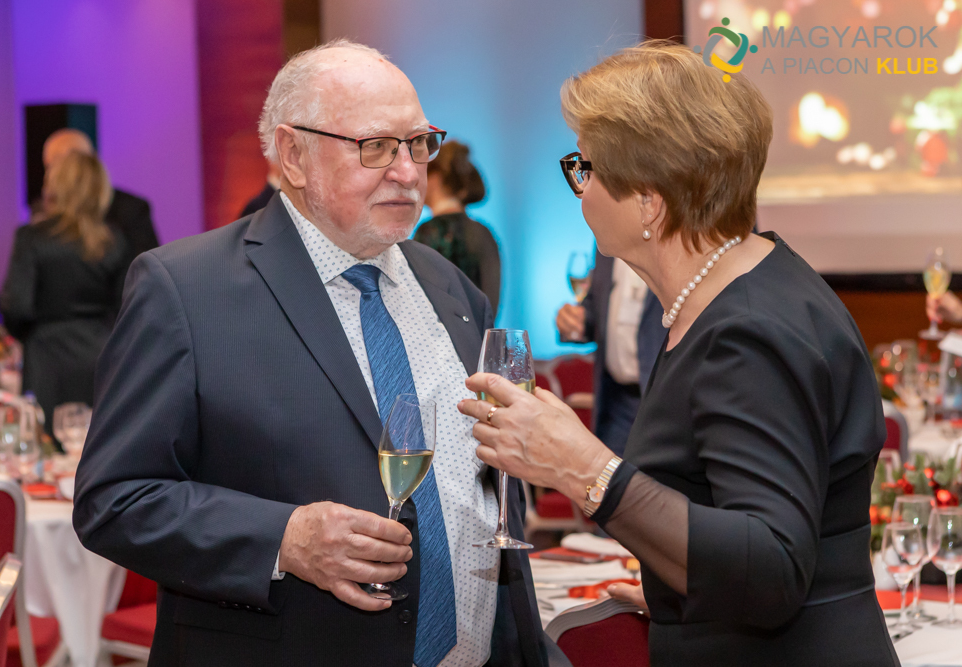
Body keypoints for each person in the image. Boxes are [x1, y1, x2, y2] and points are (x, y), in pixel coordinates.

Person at [73, 40, 564, 667]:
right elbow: (114, 499)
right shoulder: (186, 289)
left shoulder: (449, 286)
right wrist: (285, 539)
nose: (408, 172)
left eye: (418, 144)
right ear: (294, 155)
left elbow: (486, 491)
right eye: (376, 146)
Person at [458, 41, 896, 666]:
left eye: (586, 168)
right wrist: (678, 585)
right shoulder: (741, 290)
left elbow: (773, 566)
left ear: (649, 201)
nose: (580, 192)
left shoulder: (746, 333)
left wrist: (584, 469)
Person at [0, 152, 131, 438]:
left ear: (55, 187)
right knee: (98, 442)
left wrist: (29, 336)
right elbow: (125, 308)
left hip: (47, 359)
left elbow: (17, 307)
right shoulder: (114, 241)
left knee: (46, 443)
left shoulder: (32, 238)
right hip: (100, 353)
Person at [555, 252, 664, 455]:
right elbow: (595, 309)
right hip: (614, 402)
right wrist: (574, 322)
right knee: (608, 473)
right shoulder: (605, 246)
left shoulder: (672, 239)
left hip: (660, 399)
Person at [42, 128, 159, 259]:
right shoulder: (41, 210)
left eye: (75, 164)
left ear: (92, 163)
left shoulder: (131, 209)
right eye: (52, 166)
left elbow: (147, 265)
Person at [414, 141, 501, 317]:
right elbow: (490, 307)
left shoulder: (429, 231)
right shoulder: (483, 233)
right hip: (481, 333)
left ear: (436, 177)